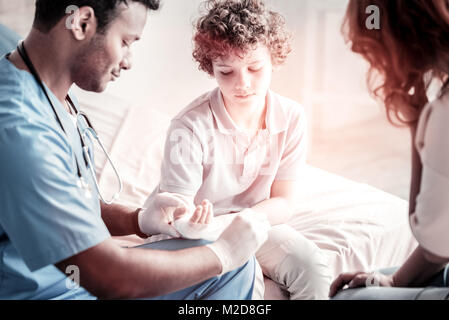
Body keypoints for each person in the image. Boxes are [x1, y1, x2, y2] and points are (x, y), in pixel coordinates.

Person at [0, 0, 269, 300]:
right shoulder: (19, 127)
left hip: (79, 284)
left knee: (234, 267)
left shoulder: (52, 96)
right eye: (126, 42)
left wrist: (137, 220)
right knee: (223, 262)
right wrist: (224, 253)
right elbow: (111, 279)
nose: (128, 61)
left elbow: (63, 205)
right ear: (82, 23)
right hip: (57, 292)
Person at [148, 0, 332, 300]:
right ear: (211, 68)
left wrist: (240, 226)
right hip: (196, 235)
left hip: (255, 223)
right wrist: (202, 226)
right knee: (247, 280)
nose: (243, 83)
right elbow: (175, 212)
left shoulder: (292, 117)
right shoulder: (189, 125)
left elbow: (283, 202)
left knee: (312, 269)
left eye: (255, 68)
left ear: (274, 58)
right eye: (226, 72)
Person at [329, 0, 449, 298]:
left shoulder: (443, 114)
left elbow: (433, 238)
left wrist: (416, 115)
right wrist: (394, 282)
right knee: (380, 276)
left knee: (350, 296)